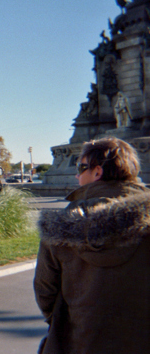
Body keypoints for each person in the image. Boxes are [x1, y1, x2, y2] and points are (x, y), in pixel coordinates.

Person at [34, 137, 150, 353]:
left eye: (80, 167)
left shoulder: (60, 225)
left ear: (97, 172)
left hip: (82, 340)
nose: (77, 175)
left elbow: (45, 292)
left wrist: (70, 322)